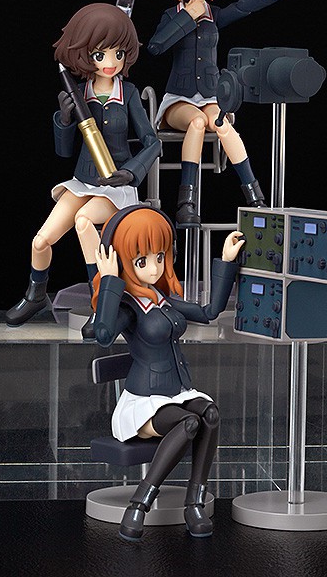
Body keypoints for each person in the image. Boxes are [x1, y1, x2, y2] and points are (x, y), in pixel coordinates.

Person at [89, 205, 245, 540]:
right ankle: (139, 504)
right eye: (142, 261)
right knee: (188, 423)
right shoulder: (128, 307)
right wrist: (110, 280)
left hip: (177, 392)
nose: (155, 267)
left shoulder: (163, 300)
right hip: (143, 403)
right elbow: (103, 335)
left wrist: (226, 260)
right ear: (121, 259)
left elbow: (210, 312)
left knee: (210, 414)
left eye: (159, 257)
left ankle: (194, 503)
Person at [6, 4, 160, 328]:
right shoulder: (79, 93)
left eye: (118, 53)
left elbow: (152, 142)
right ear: (85, 55)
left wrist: (131, 171)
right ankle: (36, 296)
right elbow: (63, 152)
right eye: (100, 54)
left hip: (116, 186)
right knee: (41, 240)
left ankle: (101, 302)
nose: (110, 62)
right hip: (83, 181)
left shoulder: (129, 93)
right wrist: (63, 120)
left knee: (84, 221)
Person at [147, 0, 290, 227]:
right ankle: (186, 202)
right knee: (198, 123)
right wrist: (187, 16)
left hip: (210, 96)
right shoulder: (171, 16)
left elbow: (242, 8)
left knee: (222, 124)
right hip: (179, 99)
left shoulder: (214, 15)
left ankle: (255, 196)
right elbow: (156, 47)